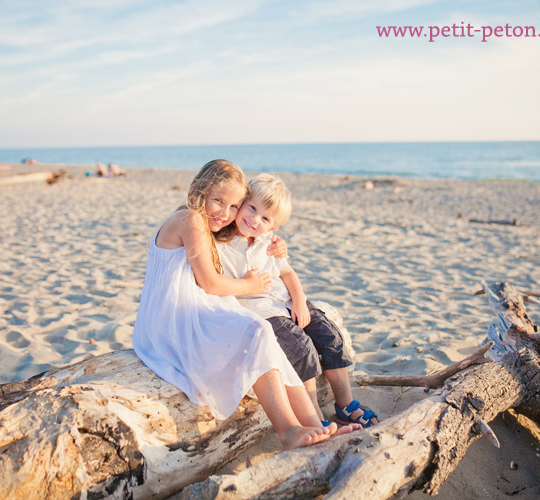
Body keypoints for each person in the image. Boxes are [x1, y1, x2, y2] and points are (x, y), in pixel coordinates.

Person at [132, 160, 360, 450]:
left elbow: (246, 240)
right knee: (258, 330)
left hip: (191, 307)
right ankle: (289, 430)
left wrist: (276, 243)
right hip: (171, 317)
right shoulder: (190, 219)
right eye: (218, 201)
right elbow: (210, 283)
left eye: (233, 206)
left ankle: (314, 426)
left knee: (265, 334)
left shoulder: (207, 225)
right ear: (200, 190)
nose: (225, 213)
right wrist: (251, 286)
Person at [216, 173, 379, 427]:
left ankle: (345, 405)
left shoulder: (269, 242)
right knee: (303, 351)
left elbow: (288, 273)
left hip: (287, 302)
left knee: (331, 337)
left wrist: (300, 301)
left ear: (274, 227)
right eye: (251, 208)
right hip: (263, 311)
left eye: (265, 218)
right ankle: (313, 417)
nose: (254, 219)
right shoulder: (223, 242)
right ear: (242, 202)